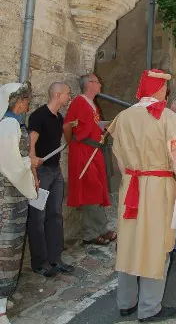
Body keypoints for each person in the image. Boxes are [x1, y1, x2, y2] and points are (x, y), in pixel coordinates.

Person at [107, 69, 176, 322]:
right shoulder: (168, 118)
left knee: (130, 241)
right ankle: (149, 308)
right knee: (157, 243)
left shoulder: (122, 117)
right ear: (157, 89)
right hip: (158, 186)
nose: (166, 90)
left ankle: (126, 302)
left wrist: (133, 177)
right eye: (164, 86)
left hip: (131, 184)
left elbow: (119, 159)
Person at [0, 83, 40, 324]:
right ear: (16, 102)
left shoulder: (15, 124)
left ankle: (3, 296)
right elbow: (10, 164)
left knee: (12, 245)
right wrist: (30, 164)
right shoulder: (8, 125)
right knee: (5, 247)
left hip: (14, 196)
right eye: (25, 101)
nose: (27, 105)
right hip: (6, 197)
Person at [27, 82, 74, 277]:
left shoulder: (58, 117)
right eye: (67, 94)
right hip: (42, 172)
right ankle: (40, 263)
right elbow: (31, 148)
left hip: (55, 172)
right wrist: (34, 172)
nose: (69, 97)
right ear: (57, 95)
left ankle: (55, 259)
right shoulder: (38, 116)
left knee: (55, 214)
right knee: (37, 217)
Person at [63, 74, 115, 246]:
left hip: (94, 151)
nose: (100, 84)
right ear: (90, 84)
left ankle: (95, 230)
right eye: (98, 82)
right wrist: (73, 143)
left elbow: (90, 125)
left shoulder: (93, 103)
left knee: (97, 189)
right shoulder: (79, 101)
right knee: (92, 188)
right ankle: (94, 231)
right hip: (84, 151)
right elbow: (68, 125)